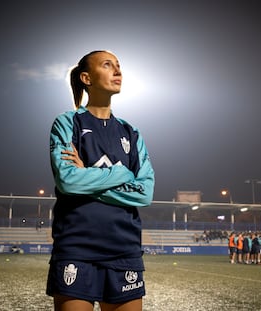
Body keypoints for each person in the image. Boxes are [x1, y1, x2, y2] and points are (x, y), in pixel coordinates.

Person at [46, 50, 155, 311]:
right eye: (107, 65)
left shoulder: (132, 132)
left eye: (118, 66)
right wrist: (120, 173)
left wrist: (88, 177)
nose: (117, 71)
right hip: (76, 247)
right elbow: (69, 182)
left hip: (124, 249)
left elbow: (144, 193)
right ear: (86, 77)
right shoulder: (66, 123)